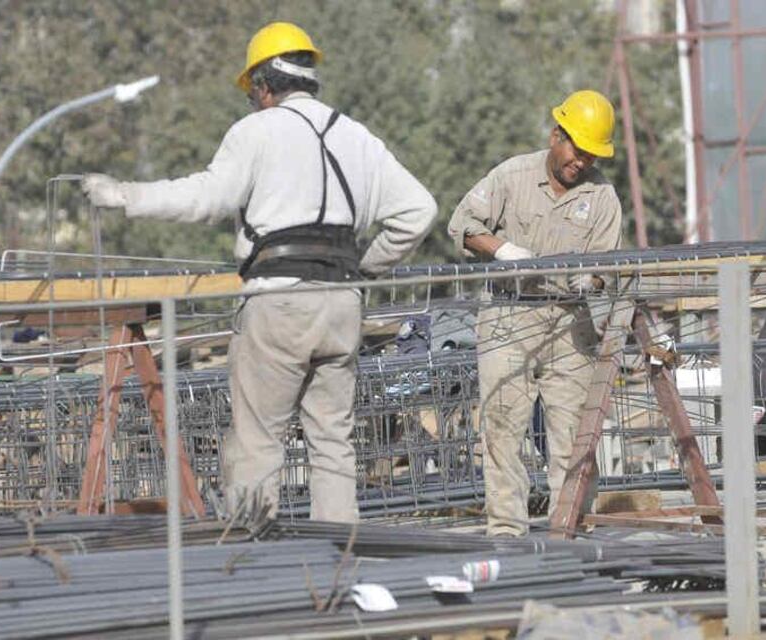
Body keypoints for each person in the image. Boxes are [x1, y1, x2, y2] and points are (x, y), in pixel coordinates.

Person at [82, 22, 436, 523]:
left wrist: (126, 196)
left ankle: (250, 558)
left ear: (261, 87)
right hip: (341, 304)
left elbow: (207, 196)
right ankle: (340, 557)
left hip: (278, 301)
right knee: (333, 442)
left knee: (257, 442)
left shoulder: (257, 130)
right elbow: (420, 210)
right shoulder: (357, 136)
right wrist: (367, 267)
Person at [447, 89, 622, 536]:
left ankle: (571, 524)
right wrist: (503, 250)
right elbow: (463, 226)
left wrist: (592, 280)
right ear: (555, 135)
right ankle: (507, 530)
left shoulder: (602, 197)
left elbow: (607, 266)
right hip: (509, 314)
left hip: (568, 319)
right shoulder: (512, 176)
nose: (581, 162)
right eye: (576, 150)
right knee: (503, 426)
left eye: (590, 155)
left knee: (573, 432)